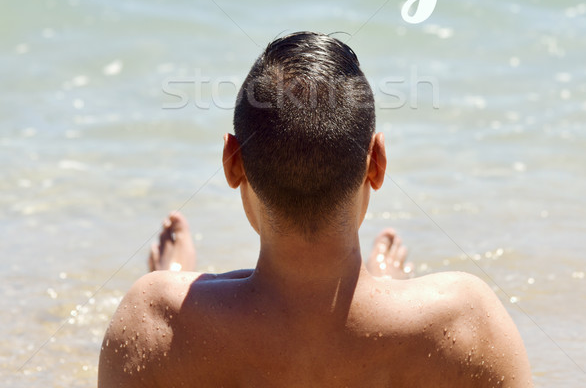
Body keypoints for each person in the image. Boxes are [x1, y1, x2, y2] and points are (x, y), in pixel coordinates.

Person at [98, 31, 532, 387]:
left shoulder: (154, 317)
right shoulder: (462, 319)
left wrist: (171, 283)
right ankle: (383, 288)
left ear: (232, 162)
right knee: (393, 295)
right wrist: (390, 295)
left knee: (175, 287)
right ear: (377, 163)